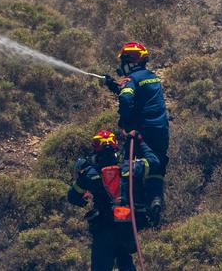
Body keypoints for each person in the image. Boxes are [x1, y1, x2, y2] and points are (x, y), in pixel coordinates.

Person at [67, 129, 160, 270]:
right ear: (115, 146)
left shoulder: (89, 173)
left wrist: (83, 201)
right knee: (126, 263)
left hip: (103, 230)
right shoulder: (131, 167)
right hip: (126, 228)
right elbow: (154, 161)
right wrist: (140, 141)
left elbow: (72, 197)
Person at [103, 41, 168, 224]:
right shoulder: (152, 77)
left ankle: (126, 217)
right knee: (158, 164)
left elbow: (126, 97)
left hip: (142, 130)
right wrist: (115, 86)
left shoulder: (131, 80)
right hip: (161, 130)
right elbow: (139, 94)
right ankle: (155, 200)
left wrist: (126, 121)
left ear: (129, 61)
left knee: (129, 168)